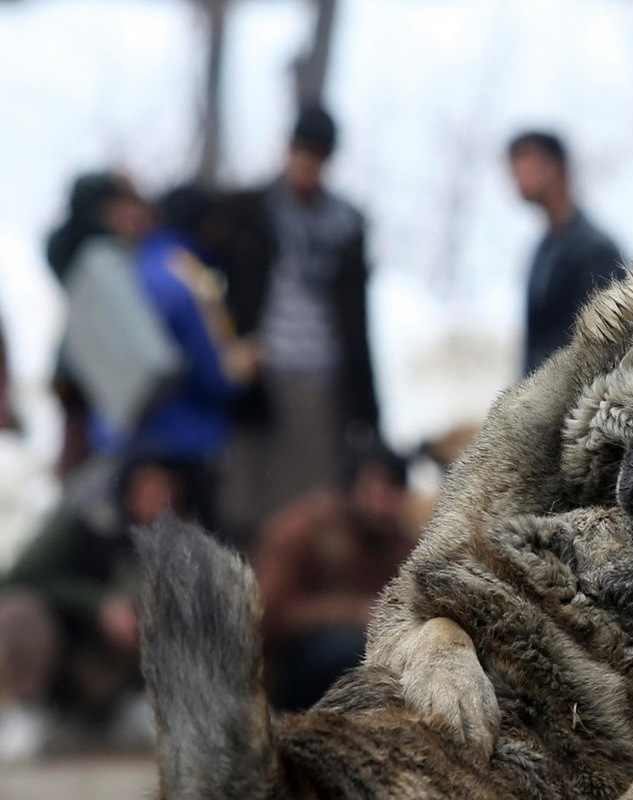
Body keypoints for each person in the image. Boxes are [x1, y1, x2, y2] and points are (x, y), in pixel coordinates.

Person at [213, 106, 379, 545]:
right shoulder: (248, 211)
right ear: (288, 150)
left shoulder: (346, 226)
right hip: (260, 379)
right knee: (248, 507)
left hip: (323, 380)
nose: (308, 163)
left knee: (314, 509)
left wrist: (368, 408)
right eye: (302, 151)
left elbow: (358, 320)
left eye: (318, 155)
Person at [0, 457, 187, 761]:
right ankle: (24, 713)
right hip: (64, 658)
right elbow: (17, 579)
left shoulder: (178, 546)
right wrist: (96, 604)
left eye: (166, 491)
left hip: (120, 674)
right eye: (148, 488)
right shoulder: (84, 525)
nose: (157, 501)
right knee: (19, 611)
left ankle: (144, 710)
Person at [90, 185, 250, 528]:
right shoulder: (191, 277)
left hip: (120, 441)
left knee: (127, 556)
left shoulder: (127, 267)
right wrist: (243, 370)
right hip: (183, 447)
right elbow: (216, 373)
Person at [254, 445, 422, 711]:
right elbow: (267, 616)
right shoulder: (301, 531)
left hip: (366, 663)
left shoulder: (400, 541)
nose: (384, 504)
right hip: (291, 673)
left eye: (393, 491)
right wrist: (351, 612)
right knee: (348, 648)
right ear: (351, 490)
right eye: (375, 491)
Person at [44, 172, 156, 476]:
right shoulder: (94, 249)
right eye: (118, 204)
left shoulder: (83, 245)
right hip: (86, 370)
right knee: (85, 461)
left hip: (85, 367)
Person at [508, 131, 624, 376]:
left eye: (527, 165)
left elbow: (607, 345)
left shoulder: (595, 250)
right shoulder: (544, 249)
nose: (517, 178)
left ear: (556, 168)